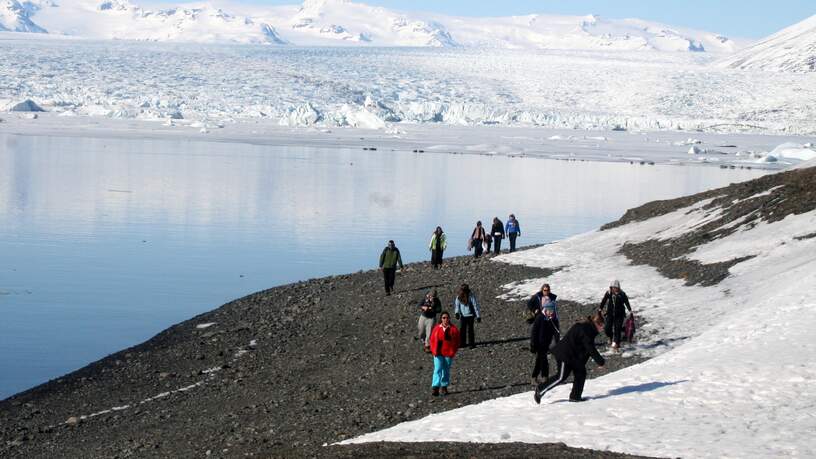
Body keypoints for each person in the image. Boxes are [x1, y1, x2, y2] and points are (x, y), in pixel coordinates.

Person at [534, 312, 606, 404]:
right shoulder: (587, 331)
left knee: (581, 373)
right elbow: (590, 348)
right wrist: (601, 362)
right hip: (565, 354)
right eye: (602, 326)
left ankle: (575, 397)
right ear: (597, 324)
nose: (602, 329)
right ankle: (540, 390)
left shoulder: (587, 327)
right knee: (561, 376)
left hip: (573, 356)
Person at [429, 311, 460, 396]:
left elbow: (457, 341)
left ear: (449, 319)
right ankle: (435, 387)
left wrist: (453, 351)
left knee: (446, 370)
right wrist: (433, 350)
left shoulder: (453, 329)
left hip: (448, 353)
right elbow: (432, 340)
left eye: (447, 318)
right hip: (438, 352)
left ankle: (444, 386)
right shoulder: (437, 328)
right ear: (441, 319)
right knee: (437, 369)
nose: (445, 319)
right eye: (444, 318)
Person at [530, 302, 560, 386]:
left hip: (547, 343)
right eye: (549, 310)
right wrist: (533, 345)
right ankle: (544, 378)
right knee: (543, 360)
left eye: (552, 310)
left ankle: (534, 378)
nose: (551, 312)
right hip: (539, 344)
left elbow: (556, 331)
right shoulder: (540, 318)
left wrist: (556, 342)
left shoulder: (553, 318)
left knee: (539, 361)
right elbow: (534, 333)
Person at [599, 280, 632, 350]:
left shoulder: (622, 294)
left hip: (619, 314)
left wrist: (630, 310)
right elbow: (604, 300)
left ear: (618, 287)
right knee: (607, 328)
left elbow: (626, 302)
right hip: (610, 313)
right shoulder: (609, 293)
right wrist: (600, 309)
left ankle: (616, 344)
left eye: (615, 287)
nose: (614, 289)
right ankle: (611, 337)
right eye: (613, 287)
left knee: (617, 329)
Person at [453, 283, 481, 349]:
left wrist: (478, 316)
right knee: (463, 330)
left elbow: (475, 305)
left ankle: (471, 343)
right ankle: (463, 343)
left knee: (470, 330)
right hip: (463, 316)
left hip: (470, 315)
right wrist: (457, 313)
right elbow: (457, 305)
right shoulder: (459, 296)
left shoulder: (471, 296)